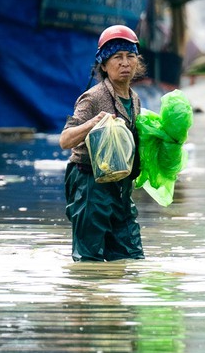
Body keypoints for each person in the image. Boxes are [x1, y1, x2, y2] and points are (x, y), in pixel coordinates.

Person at [57, 24, 146, 262]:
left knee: (131, 256)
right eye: (117, 57)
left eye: (130, 56)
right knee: (89, 258)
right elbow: (65, 140)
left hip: (120, 187)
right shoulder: (93, 98)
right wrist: (93, 123)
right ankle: (89, 297)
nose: (125, 63)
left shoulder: (135, 99)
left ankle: (113, 296)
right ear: (104, 65)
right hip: (89, 184)